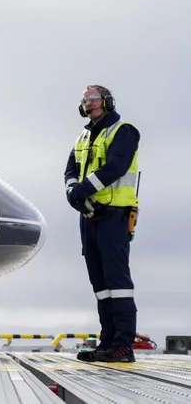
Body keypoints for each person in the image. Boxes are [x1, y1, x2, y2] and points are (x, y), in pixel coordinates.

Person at [65, 84, 140, 363]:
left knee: (117, 282)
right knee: (100, 284)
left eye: (93, 98)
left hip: (114, 215)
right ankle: (107, 342)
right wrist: (74, 196)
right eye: (85, 100)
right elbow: (70, 170)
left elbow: (116, 167)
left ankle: (123, 345)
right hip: (90, 216)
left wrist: (82, 190)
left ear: (107, 101)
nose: (88, 103)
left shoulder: (124, 131)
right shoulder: (83, 136)